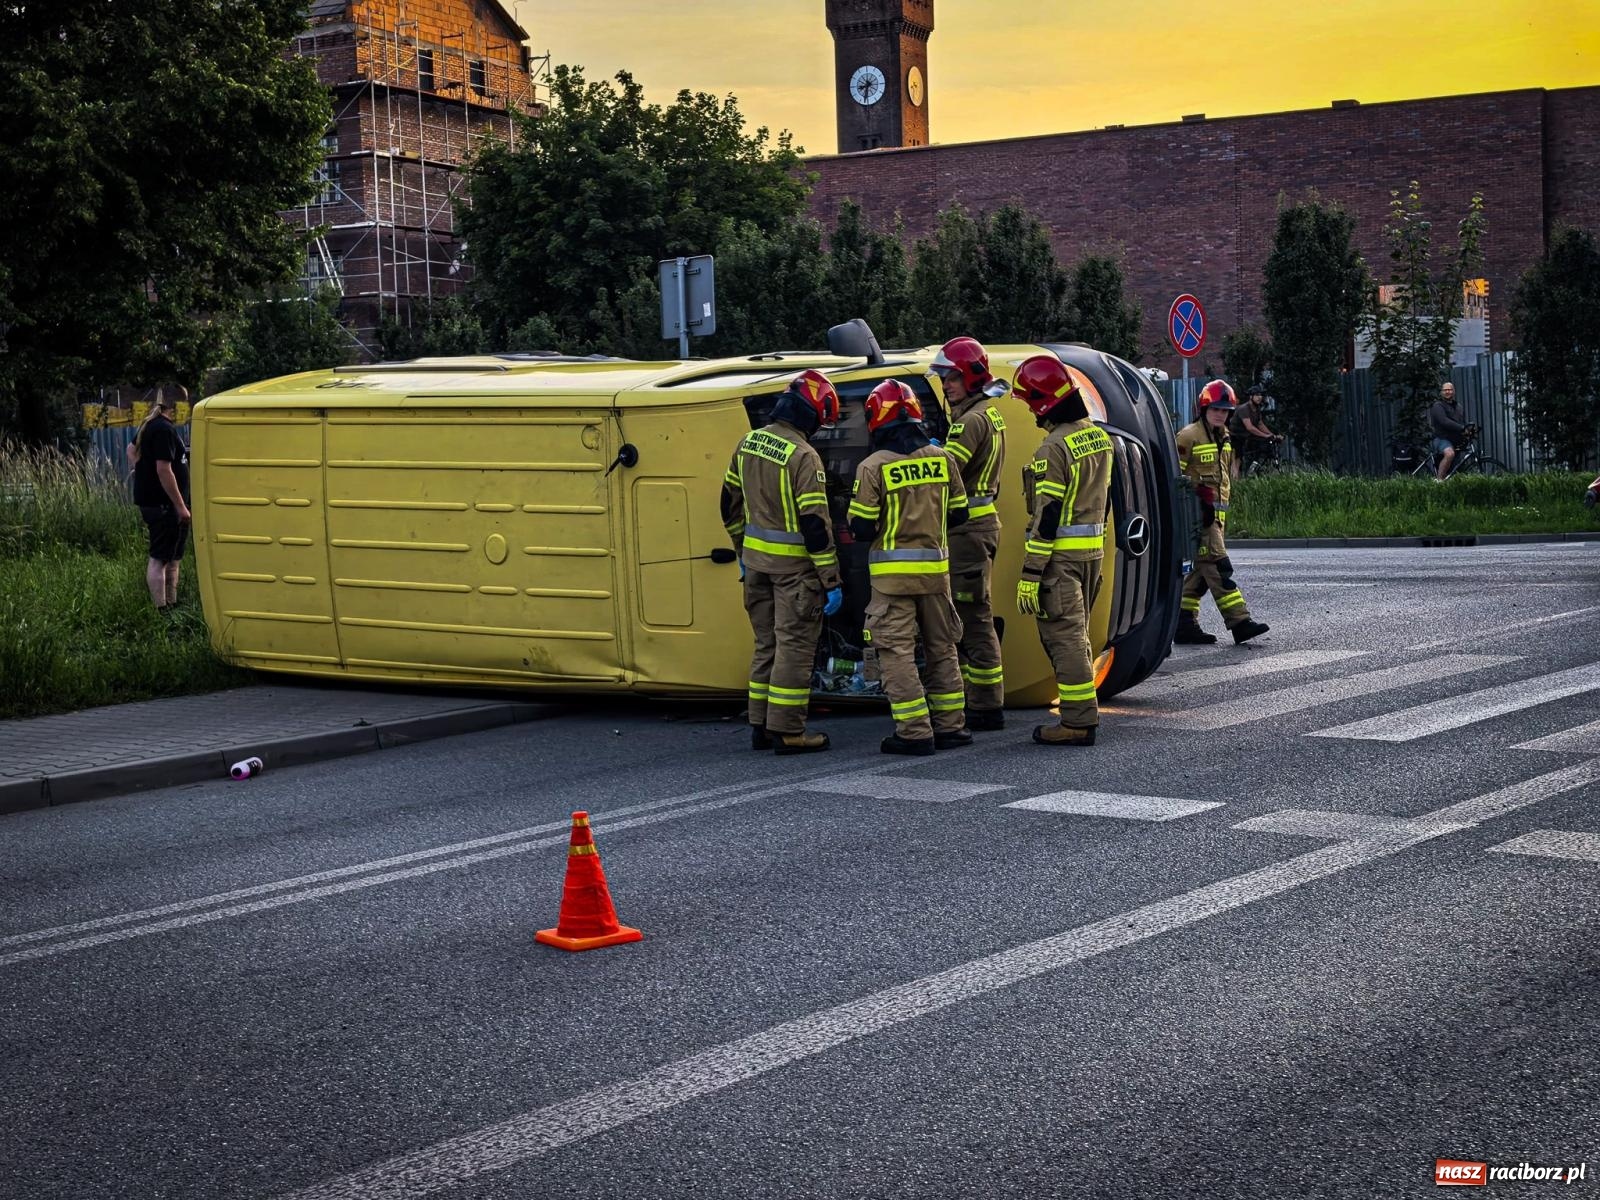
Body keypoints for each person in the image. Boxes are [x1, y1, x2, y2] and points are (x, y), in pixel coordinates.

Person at [721, 369, 844, 755]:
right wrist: (831, 580)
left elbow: (728, 504)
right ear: (811, 415)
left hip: (756, 567)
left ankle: (759, 724)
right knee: (794, 649)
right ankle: (789, 731)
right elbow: (814, 525)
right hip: (795, 574)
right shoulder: (805, 456)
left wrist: (742, 550)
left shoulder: (749, 442)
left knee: (766, 645)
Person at [848, 379, 970, 756]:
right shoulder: (943, 458)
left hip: (892, 581)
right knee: (943, 648)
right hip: (935, 576)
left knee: (896, 652)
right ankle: (952, 726)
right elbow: (961, 514)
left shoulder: (872, 467)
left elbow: (861, 527)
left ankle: (915, 732)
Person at [1010, 356, 1113, 747]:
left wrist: (1031, 574)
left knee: (1064, 638)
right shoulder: (1098, 438)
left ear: (1043, 402)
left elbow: (1047, 515)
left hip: (1060, 563)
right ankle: (1081, 713)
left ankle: (1077, 721)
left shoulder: (1052, 448)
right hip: (1091, 557)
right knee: (1078, 636)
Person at [929, 335, 1008, 730]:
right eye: (944, 378)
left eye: (953, 378)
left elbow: (946, 475)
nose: (946, 385)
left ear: (973, 377)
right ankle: (982, 699)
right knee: (972, 612)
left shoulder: (970, 421)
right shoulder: (987, 413)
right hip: (978, 528)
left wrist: (926, 454)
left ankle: (985, 704)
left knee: (972, 616)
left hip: (968, 532)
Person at [1175, 380, 1270, 647]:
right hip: (1198, 520)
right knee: (1219, 568)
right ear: (1204, 408)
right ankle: (1239, 622)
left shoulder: (1225, 437)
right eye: (1215, 409)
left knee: (1199, 576)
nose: (1221, 414)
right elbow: (1174, 479)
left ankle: (1183, 624)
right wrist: (1194, 504)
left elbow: (1224, 479)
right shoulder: (1188, 436)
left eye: (1225, 410)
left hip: (1217, 519)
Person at [128, 387, 192, 612]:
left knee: (173, 557)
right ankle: (161, 610)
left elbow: (130, 450)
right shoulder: (162, 429)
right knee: (160, 559)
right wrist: (181, 506)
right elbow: (164, 470)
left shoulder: (151, 426)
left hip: (165, 504)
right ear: (174, 406)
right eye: (185, 405)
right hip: (164, 506)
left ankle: (172, 605)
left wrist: (141, 470)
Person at [1228, 381, 1283, 477]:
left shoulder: (1257, 409)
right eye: (1257, 395)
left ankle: (1254, 468)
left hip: (1246, 436)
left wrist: (1272, 435)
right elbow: (1250, 427)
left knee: (1266, 444)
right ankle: (1236, 479)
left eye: (1261, 395)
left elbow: (1260, 424)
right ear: (1251, 397)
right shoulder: (1244, 409)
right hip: (1235, 437)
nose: (1259, 397)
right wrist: (1265, 435)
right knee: (1237, 460)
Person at [1428, 381, 1468, 481]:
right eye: (1445, 390)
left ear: (1453, 391)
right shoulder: (1438, 406)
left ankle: (1449, 479)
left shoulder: (1458, 406)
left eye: (1450, 389)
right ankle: (1439, 480)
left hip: (1455, 439)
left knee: (1456, 464)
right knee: (1450, 454)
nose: (1447, 392)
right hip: (1441, 438)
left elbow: (1462, 422)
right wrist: (1462, 428)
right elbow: (1444, 421)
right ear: (1441, 392)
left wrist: (1467, 429)